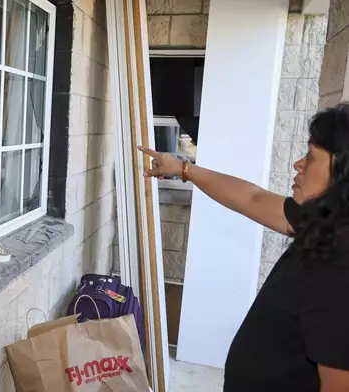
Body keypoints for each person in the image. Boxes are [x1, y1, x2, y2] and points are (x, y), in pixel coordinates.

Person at [139, 103, 349, 392]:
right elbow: (251, 199)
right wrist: (183, 168)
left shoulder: (341, 271)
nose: (298, 164)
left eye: (311, 157)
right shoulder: (325, 222)